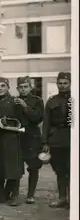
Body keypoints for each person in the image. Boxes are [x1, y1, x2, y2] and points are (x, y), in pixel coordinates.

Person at [0, 77, 25, 206]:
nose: (0, 88)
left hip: (12, 138)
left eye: (3, 86)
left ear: (8, 87)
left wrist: (10, 123)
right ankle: (1, 194)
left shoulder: (15, 102)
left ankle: (14, 194)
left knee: (13, 168)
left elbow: (22, 121)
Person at [42, 72, 71, 209]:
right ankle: (62, 198)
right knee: (60, 171)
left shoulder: (75, 99)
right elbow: (46, 123)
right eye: (60, 83)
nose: (62, 86)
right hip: (56, 140)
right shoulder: (52, 101)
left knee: (72, 170)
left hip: (72, 140)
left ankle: (73, 199)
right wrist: (45, 142)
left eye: (65, 83)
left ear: (70, 83)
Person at [15, 76, 44, 204]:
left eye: (26, 87)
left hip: (32, 138)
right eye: (20, 87)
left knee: (33, 167)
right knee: (16, 167)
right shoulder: (14, 101)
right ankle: (14, 194)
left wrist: (25, 106)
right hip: (17, 137)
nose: (23, 89)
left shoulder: (38, 101)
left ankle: (30, 194)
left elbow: (37, 118)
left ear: (30, 87)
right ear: (17, 88)